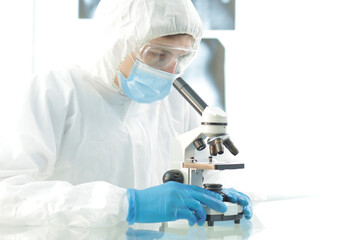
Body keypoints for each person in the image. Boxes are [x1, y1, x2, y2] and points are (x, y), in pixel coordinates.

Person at [0, 0, 252, 227]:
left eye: (182, 57)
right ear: (118, 42)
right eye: (157, 54)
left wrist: (222, 195)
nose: (170, 69)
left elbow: (209, 170)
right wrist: (126, 205)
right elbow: (7, 196)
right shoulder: (56, 90)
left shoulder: (177, 102)